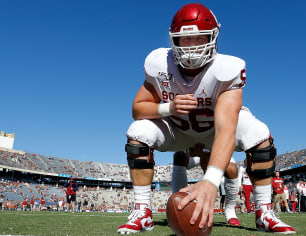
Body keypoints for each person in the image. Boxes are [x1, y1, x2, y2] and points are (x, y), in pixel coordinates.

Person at [117, 3, 295, 234]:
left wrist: (211, 181)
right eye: (186, 39)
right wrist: (168, 107)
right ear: (174, 40)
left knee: (258, 133)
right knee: (138, 131)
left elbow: (226, 130)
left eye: (199, 38)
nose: (192, 47)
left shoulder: (226, 69)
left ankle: (263, 212)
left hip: (214, 132)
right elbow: (138, 108)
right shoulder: (159, 63)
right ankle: (143, 212)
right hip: (178, 130)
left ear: (212, 37)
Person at [171, 145, 242, 226]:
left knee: (232, 169)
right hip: (192, 155)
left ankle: (230, 210)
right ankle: (177, 209)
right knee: (178, 156)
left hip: (214, 154)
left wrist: (202, 154)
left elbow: (206, 168)